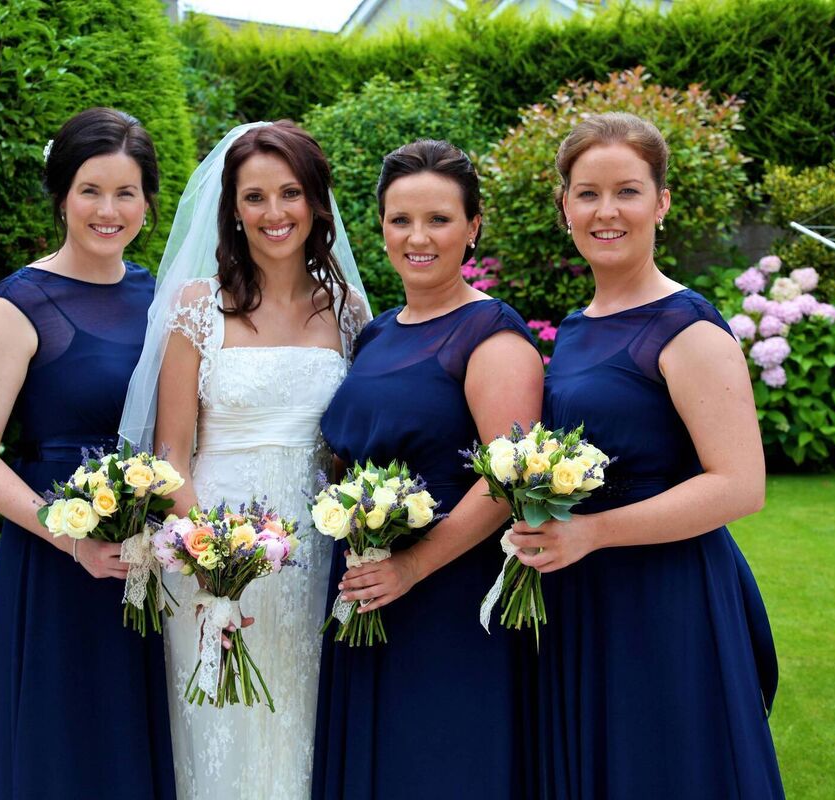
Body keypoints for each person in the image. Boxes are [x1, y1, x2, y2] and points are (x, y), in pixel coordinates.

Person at [508, 111, 784, 798]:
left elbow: (740, 485)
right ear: (565, 205)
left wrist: (592, 532)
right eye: (588, 193)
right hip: (583, 594)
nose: (607, 211)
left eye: (627, 191)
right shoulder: (576, 329)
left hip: (666, 596)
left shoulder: (687, 328)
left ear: (661, 202)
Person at [119, 121, 370, 800]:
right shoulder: (197, 306)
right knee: (220, 727)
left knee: (304, 721)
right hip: (214, 545)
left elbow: (351, 448)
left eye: (290, 193)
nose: (274, 213)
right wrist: (210, 568)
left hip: (314, 553)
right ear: (232, 206)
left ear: (317, 203)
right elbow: (171, 451)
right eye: (254, 196)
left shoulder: (346, 309)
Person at [0, 108, 174, 800]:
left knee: (140, 742)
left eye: (126, 193)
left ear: (147, 202)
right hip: (56, 561)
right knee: (64, 748)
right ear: (60, 195)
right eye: (90, 190)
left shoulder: (162, 300)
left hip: (151, 560)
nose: (108, 211)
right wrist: (67, 537)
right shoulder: (18, 307)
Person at [313, 139, 543, 799]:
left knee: (438, 765)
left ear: (473, 227)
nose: (418, 237)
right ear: (380, 226)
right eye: (400, 220)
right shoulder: (378, 332)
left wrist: (411, 566)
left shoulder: (492, 336)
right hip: (365, 583)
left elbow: (508, 482)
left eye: (439, 219)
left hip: (447, 593)